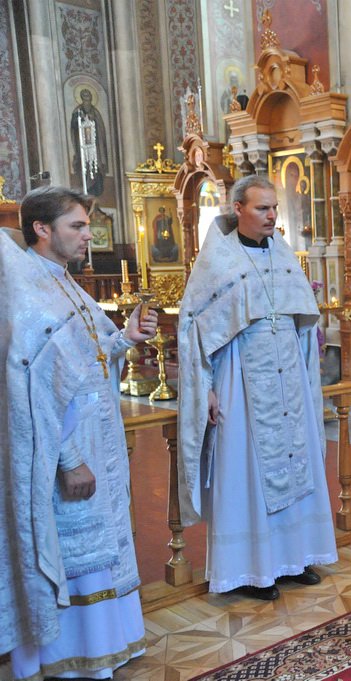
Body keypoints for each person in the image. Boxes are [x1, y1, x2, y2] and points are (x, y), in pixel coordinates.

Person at [0, 186, 157, 679]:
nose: (89, 235)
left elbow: (85, 364)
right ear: (41, 229)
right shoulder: (25, 297)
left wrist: (124, 339)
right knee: (72, 549)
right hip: (63, 450)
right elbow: (30, 398)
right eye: (78, 226)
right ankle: (67, 660)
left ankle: (107, 646)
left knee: (100, 543)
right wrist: (68, 460)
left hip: (97, 438)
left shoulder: (64, 282)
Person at [177, 174, 337, 601]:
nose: (271, 216)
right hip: (240, 380)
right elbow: (194, 330)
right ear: (238, 209)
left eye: (274, 208)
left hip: (288, 380)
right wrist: (206, 389)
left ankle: (296, 559)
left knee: (296, 463)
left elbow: (302, 321)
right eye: (262, 208)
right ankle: (252, 572)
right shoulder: (217, 260)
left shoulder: (282, 254)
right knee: (245, 472)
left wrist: (307, 372)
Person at [69, 88, 108, 197]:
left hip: (96, 146)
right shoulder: (77, 111)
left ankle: (97, 188)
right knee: (84, 166)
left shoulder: (95, 112)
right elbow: (73, 126)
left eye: (89, 97)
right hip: (82, 146)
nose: (87, 99)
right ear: (82, 98)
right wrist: (80, 120)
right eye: (85, 97)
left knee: (97, 166)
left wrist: (93, 120)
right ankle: (87, 188)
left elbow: (101, 129)